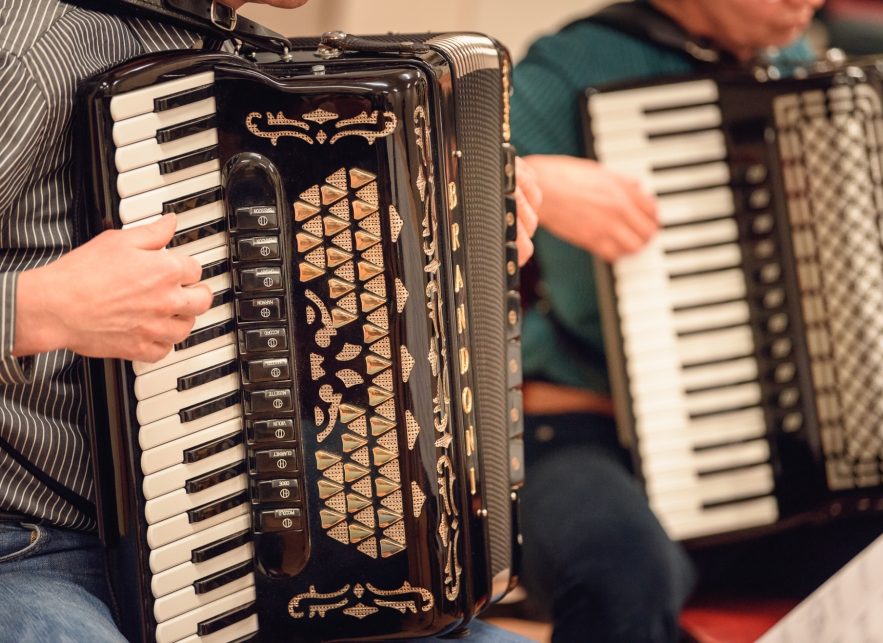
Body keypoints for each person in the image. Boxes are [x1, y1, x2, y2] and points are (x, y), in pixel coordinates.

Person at [0, 1, 539, 641]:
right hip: (35, 546)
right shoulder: (29, 39)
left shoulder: (243, 57)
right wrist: (36, 308)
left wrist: (471, 225)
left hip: (226, 558)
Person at [509, 1, 824, 641]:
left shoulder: (794, 62)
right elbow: (426, 203)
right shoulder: (562, 70)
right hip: (579, 434)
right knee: (620, 575)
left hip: (752, 447)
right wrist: (532, 179)